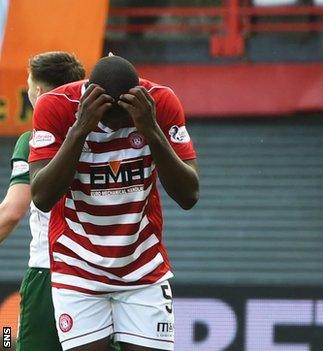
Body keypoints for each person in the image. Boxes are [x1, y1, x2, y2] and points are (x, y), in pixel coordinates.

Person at [28, 55, 199, 351]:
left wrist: (151, 130)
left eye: (125, 120)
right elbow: (42, 197)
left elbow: (189, 195)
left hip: (143, 270)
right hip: (77, 270)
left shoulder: (160, 103)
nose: (119, 127)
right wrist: (81, 128)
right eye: (111, 119)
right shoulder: (55, 106)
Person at [0, 51, 84, 351]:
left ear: (39, 92)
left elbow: (11, 212)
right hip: (102, 274)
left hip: (50, 271)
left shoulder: (34, 139)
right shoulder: (104, 136)